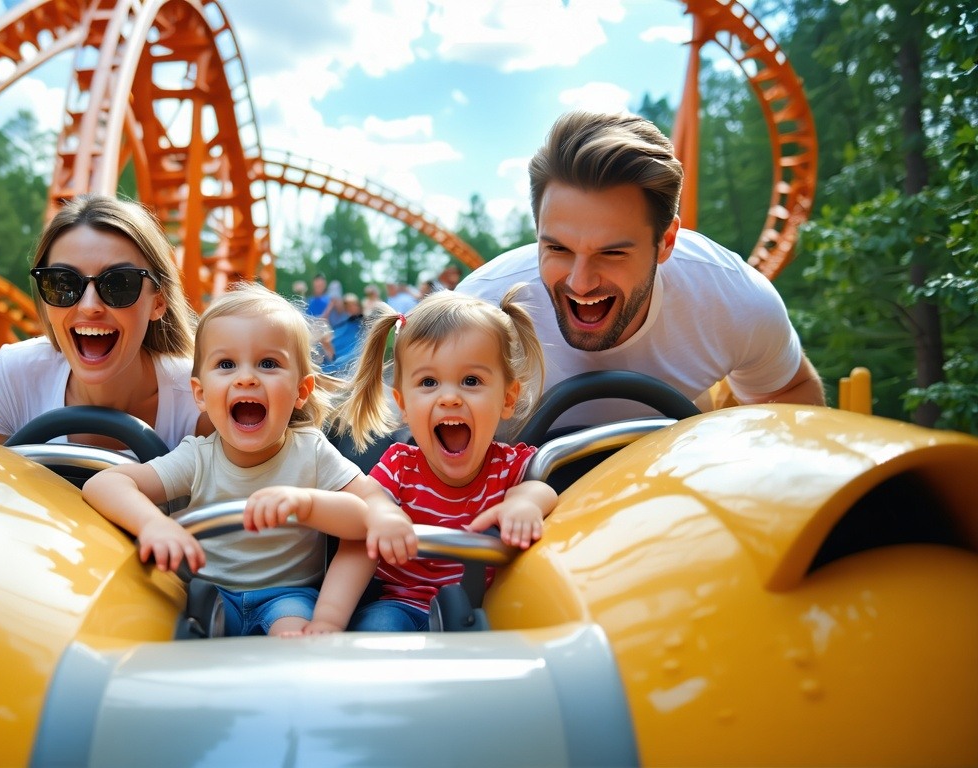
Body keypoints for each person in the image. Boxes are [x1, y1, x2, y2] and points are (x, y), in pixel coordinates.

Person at [81, 283, 416, 637]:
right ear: (201, 394)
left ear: (301, 391)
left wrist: (360, 511)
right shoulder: (197, 456)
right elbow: (104, 483)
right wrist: (153, 524)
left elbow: (370, 500)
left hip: (287, 597)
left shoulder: (310, 450)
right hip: (208, 595)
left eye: (268, 363)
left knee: (293, 634)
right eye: (226, 364)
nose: (246, 378)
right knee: (163, 626)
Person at [459, 110, 824, 431]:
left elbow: (789, 392)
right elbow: (406, 444)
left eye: (612, 252)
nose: (580, 282)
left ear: (665, 242)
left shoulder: (733, 299)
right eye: (558, 248)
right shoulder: (474, 311)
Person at [331, 287, 559, 632]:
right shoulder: (400, 466)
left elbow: (542, 490)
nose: (449, 398)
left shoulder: (508, 465)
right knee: (377, 626)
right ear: (404, 404)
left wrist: (524, 504)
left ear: (507, 398)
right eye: (428, 382)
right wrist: (382, 512)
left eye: (471, 381)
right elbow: (367, 500)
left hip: (490, 607)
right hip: (402, 603)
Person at [0, 194, 212, 450]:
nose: (89, 306)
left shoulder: (203, 402)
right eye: (63, 283)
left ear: (158, 302)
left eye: (118, 284)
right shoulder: (12, 376)